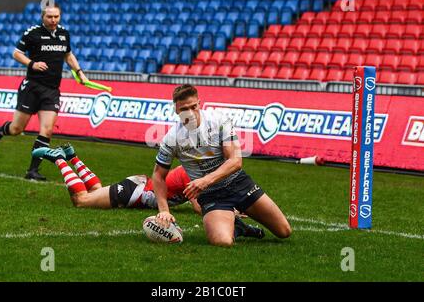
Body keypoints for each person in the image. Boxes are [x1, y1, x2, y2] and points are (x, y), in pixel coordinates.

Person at [153, 84, 292, 247]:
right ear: (176, 111)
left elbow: (235, 161)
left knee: (284, 231)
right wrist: (164, 210)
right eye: (184, 109)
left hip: (239, 184)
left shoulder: (219, 121)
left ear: (200, 103)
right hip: (211, 195)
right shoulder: (172, 138)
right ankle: (239, 227)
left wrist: (205, 180)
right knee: (223, 242)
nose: (190, 113)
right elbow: (158, 175)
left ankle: (237, 221)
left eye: (193, 107)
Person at [33, 143, 265, 239]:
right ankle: (61, 160)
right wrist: (230, 213)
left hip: (137, 188)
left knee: (97, 190)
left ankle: (73, 156)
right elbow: (198, 206)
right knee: (82, 200)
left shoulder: (195, 168)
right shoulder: (195, 174)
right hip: (137, 192)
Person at [0, 4, 88, 181]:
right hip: (32, 87)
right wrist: (32, 64)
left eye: (56, 16)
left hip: (52, 90)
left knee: (47, 131)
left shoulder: (64, 34)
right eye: (50, 17)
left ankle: (32, 171)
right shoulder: (32, 33)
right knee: (17, 129)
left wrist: (79, 72)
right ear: (43, 17)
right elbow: (16, 53)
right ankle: (0, 132)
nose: (53, 20)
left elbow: (68, 56)